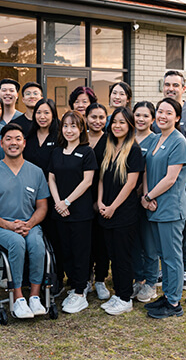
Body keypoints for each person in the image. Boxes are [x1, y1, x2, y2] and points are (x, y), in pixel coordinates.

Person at [0, 123, 50, 319]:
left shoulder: (36, 172)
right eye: (8, 139)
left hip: (29, 223)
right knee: (17, 242)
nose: (13, 143)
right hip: (0, 226)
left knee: (36, 243)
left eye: (18, 139)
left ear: (24, 143)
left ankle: (34, 296)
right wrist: (8, 225)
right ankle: (18, 298)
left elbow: (42, 206)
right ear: (2, 143)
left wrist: (30, 224)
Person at [153, 71, 186, 290]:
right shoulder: (161, 112)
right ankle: (168, 272)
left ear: (184, 88)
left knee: (184, 230)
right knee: (169, 234)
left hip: (184, 178)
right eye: (167, 84)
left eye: (175, 84)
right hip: (164, 179)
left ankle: (184, 271)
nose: (171, 88)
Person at [141, 98, 186, 319]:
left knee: (172, 257)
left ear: (177, 117)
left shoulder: (179, 141)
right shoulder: (156, 139)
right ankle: (168, 293)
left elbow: (170, 178)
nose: (162, 116)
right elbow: (146, 171)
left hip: (170, 208)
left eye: (168, 113)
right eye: (160, 111)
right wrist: (145, 197)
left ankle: (174, 303)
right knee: (163, 255)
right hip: (153, 205)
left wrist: (149, 196)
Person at [48, 111, 97, 314]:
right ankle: (72, 285)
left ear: (81, 129)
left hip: (80, 212)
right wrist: (58, 202)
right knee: (64, 250)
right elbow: (51, 178)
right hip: (60, 211)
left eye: (73, 126)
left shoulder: (87, 152)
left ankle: (80, 291)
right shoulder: (57, 152)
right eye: (65, 126)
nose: (69, 130)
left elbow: (88, 181)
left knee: (80, 252)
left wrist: (67, 201)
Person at [97, 107, 144, 316]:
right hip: (105, 210)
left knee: (123, 257)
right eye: (114, 121)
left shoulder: (133, 149)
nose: (117, 126)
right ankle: (118, 294)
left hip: (123, 213)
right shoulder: (108, 147)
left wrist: (113, 207)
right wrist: (100, 202)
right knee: (113, 256)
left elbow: (131, 184)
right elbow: (100, 179)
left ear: (130, 126)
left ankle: (125, 298)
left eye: (122, 122)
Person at [23, 99, 64, 294]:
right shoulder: (28, 138)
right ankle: (29, 280)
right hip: (30, 198)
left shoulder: (59, 137)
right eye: (39, 112)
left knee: (55, 239)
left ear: (53, 115)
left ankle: (55, 279)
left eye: (47, 113)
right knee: (31, 238)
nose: (42, 116)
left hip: (53, 196)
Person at [130, 101, 159, 303]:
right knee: (134, 243)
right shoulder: (127, 138)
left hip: (147, 199)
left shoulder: (156, 140)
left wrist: (147, 195)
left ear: (153, 119)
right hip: (128, 200)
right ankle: (138, 279)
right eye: (138, 115)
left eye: (145, 116)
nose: (141, 119)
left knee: (149, 244)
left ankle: (151, 282)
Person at [85, 103, 110, 301]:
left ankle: (100, 279)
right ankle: (85, 279)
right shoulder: (78, 138)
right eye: (93, 117)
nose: (97, 121)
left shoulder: (110, 140)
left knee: (102, 242)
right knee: (85, 242)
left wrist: (100, 200)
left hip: (103, 198)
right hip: (80, 197)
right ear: (86, 118)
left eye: (102, 117)